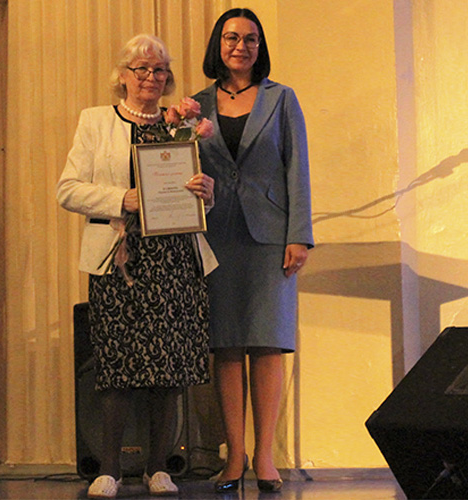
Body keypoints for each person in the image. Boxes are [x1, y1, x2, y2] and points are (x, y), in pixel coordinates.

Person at [57, 34, 218, 499]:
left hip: (174, 256)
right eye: (141, 68)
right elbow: (67, 189)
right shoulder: (96, 121)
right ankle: (109, 469)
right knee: (117, 365)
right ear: (123, 76)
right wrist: (120, 199)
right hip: (120, 257)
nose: (151, 77)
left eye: (159, 69)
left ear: (168, 79)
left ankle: (158, 468)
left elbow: (192, 194)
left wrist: (207, 194)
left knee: (169, 365)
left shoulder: (182, 126)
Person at [192, 8, 313, 494]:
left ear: (260, 47)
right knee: (225, 346)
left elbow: (297, 167)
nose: (240, 46)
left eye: (250, 39)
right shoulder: (196, 105)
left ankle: (264, 457)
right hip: (215, 235)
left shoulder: (281, 98)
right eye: (231, 37)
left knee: (266, 343)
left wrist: (299, 234)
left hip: (270, 237)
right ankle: (234, 456)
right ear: (217, 44)